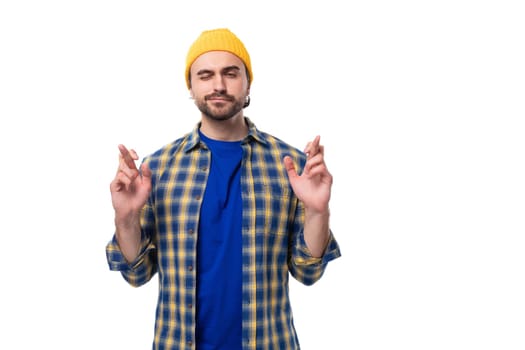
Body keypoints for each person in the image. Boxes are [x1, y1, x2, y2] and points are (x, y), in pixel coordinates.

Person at [106, 27, 341, 350]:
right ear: (191, 86)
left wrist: (318, 210)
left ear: (248, 83)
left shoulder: (290, 166)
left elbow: (309, 272)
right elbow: (137, 274)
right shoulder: (156, 169)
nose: (218, 85)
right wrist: (126, 218)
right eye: (205, 75)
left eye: (231, 73)